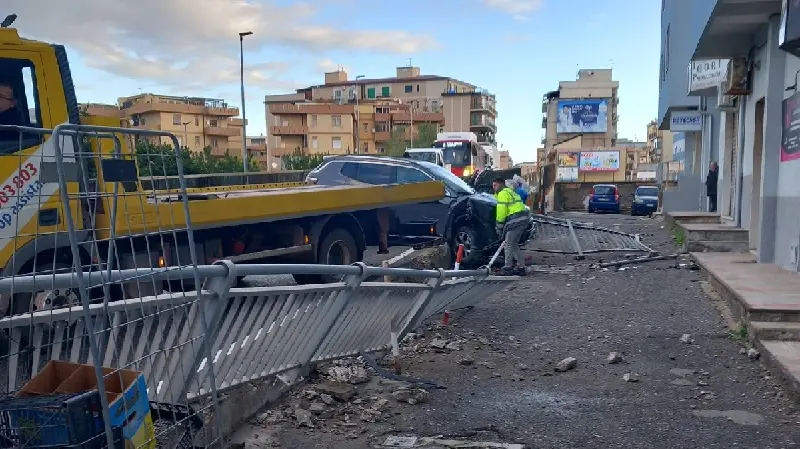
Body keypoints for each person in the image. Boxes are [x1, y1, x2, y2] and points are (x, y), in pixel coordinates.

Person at [492, 177, 529, 276]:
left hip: (515, 219)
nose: (494, 188)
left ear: (501, 184)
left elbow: (501, 211)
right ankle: (521, 267)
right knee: (514, 244)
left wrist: (499, 226)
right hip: (523, 218)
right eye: (493, 186)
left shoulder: (503, 193)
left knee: (508, 244)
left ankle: (507, 268)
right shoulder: (510, 191)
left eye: (495, 185)